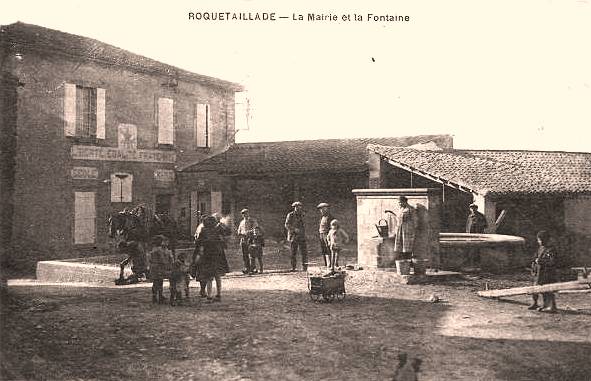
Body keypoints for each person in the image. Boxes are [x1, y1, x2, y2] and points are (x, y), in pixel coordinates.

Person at [193, 215, 230, 302]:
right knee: (217, 276)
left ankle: (209, 296)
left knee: (209, 276)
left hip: (207, 256)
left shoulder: (203, 230)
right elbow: (224, 243)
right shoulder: (218, 231)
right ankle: (218, 295)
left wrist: (199, 253)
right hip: (218, 256)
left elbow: (198, 243)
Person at [528, 230, 558, 313]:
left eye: (539, 240)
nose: (538, 242)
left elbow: (552, 262)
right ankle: (535, 303)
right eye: (538, 240)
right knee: (535, 288)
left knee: (547, 290)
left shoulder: (551, 249)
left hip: (547, 273)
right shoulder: (541, 248)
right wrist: (534, 265)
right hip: (538, 272)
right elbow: (536, 257)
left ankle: (550, 306)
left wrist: (540, 261)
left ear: (545, 240)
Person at [148, 235, 173, 304]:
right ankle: (156, 296)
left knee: (159, 282)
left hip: (159, 268)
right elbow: (161, 260)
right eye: (164, 241)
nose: (166, 243)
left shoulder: (164, 250)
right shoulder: (157, 250)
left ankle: (158, 296)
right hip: (157, 268)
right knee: (157, 282)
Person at [285, 201, 308, 271]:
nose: (298, 208)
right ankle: (293, 267)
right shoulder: (290, 215)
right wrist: (294, 229)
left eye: (299, 206)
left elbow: (306, 224)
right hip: (293, 236)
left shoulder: (303, 215)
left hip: (302, 236)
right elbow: (287, 225)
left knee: (304, 252)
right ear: (294, 207)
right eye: (296, 206)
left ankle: (305, 267)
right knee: (293, 252)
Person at [237, 208, 259, 274]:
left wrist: (248, 233)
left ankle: (253, 268)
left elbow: (255, 228)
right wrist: (240, 233)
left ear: (248, 213)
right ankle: (247, 268)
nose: (244, 215)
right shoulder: (241, 222)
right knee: (245, 255)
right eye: (243, 214)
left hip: (251, 239)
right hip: (243, 240)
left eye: (246, 213)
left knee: (252, 254)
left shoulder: (252, 220)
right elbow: (239, 230)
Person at [317, 202, 334, 268]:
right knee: (324, 249)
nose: (322, 211)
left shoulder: (331, 218)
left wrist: (329, 236)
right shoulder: (321, 217)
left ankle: (331, 264)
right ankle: (326, 264)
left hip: (327, 235)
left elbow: (332, 228)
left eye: (323, 209)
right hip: (321, 235)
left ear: (327, 209)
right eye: (321, 209)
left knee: (328, 249)